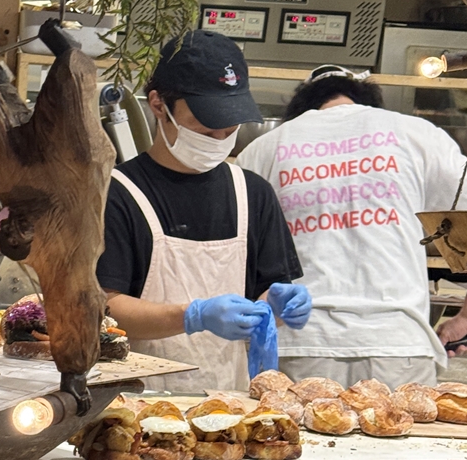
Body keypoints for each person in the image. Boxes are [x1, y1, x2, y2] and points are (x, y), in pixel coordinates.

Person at [97, 31, 310, 392]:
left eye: (229, 129)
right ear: (158, 105)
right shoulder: (116, 194)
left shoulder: (253, 194)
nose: (220, 139)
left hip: (230, 403)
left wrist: (275, 307)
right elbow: (102, 309)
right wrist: (192, 316)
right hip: (132, 401)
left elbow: (262, 297)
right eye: (207, 129)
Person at [238, 64, 467, 387]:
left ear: (301, 107)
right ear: (367, 101)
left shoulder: (263, 149)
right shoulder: (416, 134)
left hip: (300, 344)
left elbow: (236, 252)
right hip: (398, 345)